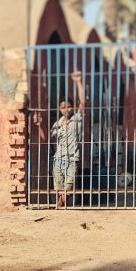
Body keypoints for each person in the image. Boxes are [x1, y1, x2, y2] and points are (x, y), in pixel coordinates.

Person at [51, 73, 84, 209]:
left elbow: (83, 103)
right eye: (63, 107)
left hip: (72, 159)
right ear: (59, 109)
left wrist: (78, 82)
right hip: (58, 159)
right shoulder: (57, 124)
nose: (66, 109)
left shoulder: (76, 120)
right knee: (60, 188)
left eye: (68, 106)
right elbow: (50, 138)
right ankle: (62, 206)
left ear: (72, 107)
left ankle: (59, 206)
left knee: (68, 186)